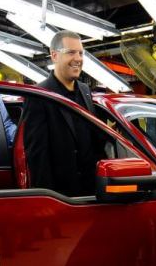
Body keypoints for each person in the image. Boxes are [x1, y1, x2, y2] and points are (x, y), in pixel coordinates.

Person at [24, 30, 102, 196]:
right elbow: (37, 156)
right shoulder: (39, 94)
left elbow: (91, 141)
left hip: (91, 193)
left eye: (81, 53)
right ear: (54, 56)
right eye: (71, 52)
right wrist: (47, 199)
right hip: (61, 197)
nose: (78, 59)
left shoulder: (85, 90)